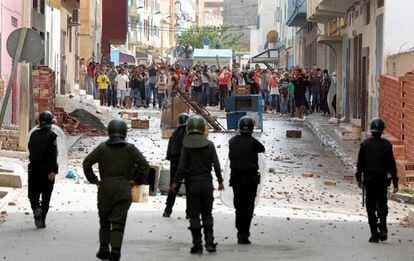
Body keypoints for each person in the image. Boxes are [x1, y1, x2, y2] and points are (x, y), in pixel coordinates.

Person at [83, 120, 150, 261]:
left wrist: (94, 180)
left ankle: (103, 249)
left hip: (105, 189)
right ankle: (115, 251)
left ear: (109, 131)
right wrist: (136, 181)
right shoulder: (130, 149)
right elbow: (145, 166)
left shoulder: (102, 148)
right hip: (124, 189)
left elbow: (87, 163)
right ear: (124, 132)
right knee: (119, 222)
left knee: (104, 220)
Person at [172, 115, 224, 254]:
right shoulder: (210, 144)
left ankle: (197, 245)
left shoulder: (186, 145)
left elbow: (181, 167)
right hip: (207, 183)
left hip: (193, 184)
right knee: (207, 214)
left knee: (194, 215)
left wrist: (176, 182)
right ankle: (210, 242)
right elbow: (217, 165)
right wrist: (220, 181)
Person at [355, 118, 398, 243]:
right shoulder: (387, 145)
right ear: (382, 131)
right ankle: (383, 228)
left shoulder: (365, 144)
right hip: (382, 181)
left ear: (371, 130)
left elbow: (360, 164)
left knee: (370, 207)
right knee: (382, 204)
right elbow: (392, 165)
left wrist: (359, 179)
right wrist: (395, 182)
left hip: (369, 181)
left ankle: (374, 233)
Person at [229, 116, 265, 244]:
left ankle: (240, 231)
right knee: (248, 206)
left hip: (236, 179)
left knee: (239, 206)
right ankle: (244, 233)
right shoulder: (254, 143)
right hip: (250, 179)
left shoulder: (232, 141)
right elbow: (262, 148)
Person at [28, 111, 58, 229]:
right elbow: (53, 154)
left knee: (33, 194)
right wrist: (53, 171)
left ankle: (36, 208)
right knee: (46, 197)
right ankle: (42, 220)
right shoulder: (52, 136)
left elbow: (30, 149)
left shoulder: (33, 134)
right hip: (47, 171)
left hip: (33, 169)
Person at [163, 113, 190, 218]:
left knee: (174, 186)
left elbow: (169, 153)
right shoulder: (189, 134)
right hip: (187, 163)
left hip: (175, 163)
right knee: (190, 187)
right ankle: (189, 213)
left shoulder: (174, 134)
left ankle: (168, 210)